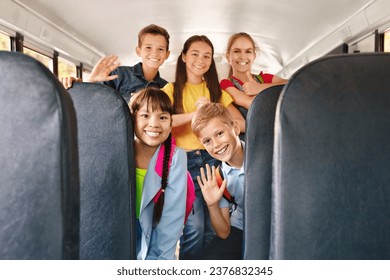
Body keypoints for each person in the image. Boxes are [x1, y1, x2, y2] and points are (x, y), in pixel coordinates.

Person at [162, 35, 245, 260]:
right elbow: (162, 122)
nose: (201, 60)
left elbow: (241, 123)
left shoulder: (216, 91)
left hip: (214, 162)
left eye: (207, 56)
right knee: (194, 229)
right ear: (184, 57)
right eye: (195, 54)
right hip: (185, 163)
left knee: (212, 228)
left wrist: (214, 111)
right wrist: (196, 115)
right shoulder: (170, 89)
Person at [130, 87, 187, 260]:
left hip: (155, 238)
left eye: (162, 117)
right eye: (145, 116)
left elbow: (171, 223)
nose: (154, 124)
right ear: (132, 118)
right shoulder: (118, 149)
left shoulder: (176, 158)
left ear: (171, 124)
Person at [61, 24, 170, 102]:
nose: (154, 53)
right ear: (138, 51)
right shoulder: (119, 74)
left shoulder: (167, 87)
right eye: (148, 48)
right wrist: (90, 81)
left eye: (160, 49)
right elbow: (91, 100)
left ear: (167, 54)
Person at [191, 102, 245, 260]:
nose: (216, 145)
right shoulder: (218, 178)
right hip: (242, 228)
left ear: (235, 128)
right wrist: (212, 204)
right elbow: (224, 232)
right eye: (207, 141)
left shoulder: (265, 156)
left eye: (219, 134)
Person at [220, 32, 287, 118]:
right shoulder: (225, 84)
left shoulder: (264, 78)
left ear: (254, 56)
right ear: (228, 56)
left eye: (248, 51)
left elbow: (291, 84)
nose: (243, 56)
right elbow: (251, 103)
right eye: (237, 51)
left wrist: (260, 88)